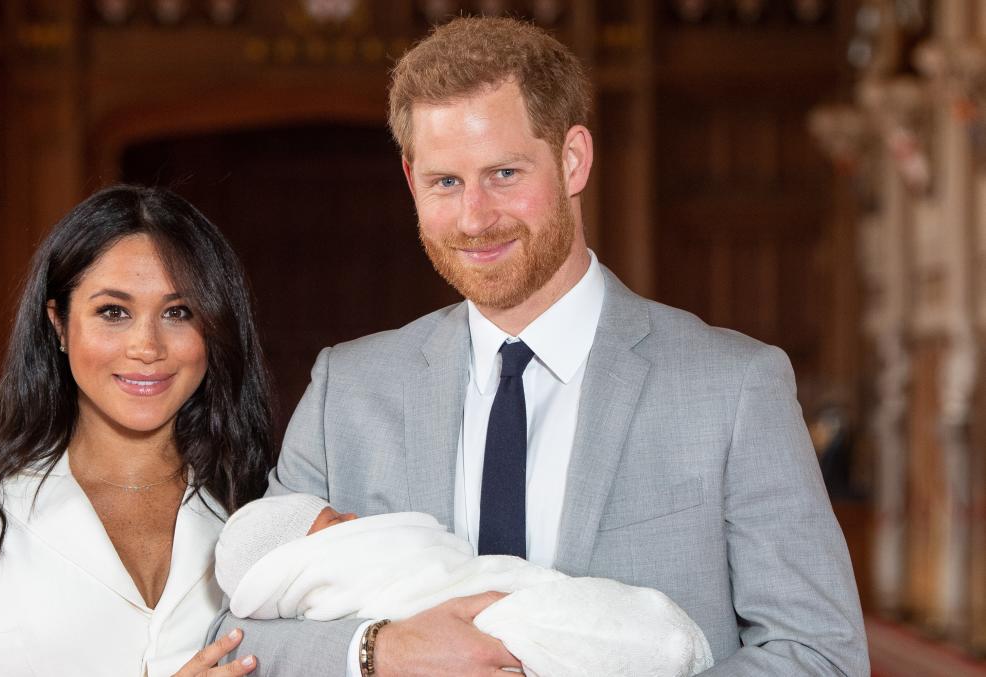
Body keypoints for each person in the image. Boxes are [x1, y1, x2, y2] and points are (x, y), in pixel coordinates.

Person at [220, 16, 869, 677]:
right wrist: (378, 651)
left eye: (504, 172)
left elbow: (820, 653)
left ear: (573, 159)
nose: (475, 217)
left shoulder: (736, 387)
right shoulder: (347, 391)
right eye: (446, 181)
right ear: (411, 178)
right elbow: (236, 636)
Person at [0, 186, 273, 676]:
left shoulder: (264, 509)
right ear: (60, 325)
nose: (146, 346)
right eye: (113, 312)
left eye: (178, 312)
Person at [214, 493, 714, 677]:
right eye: (334, 520)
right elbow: (234, 638)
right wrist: (377, 651)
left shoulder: (742, 377)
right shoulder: (336, 386)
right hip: (497, 615)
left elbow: (791, 635)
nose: (353, 517)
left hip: (508, 596)